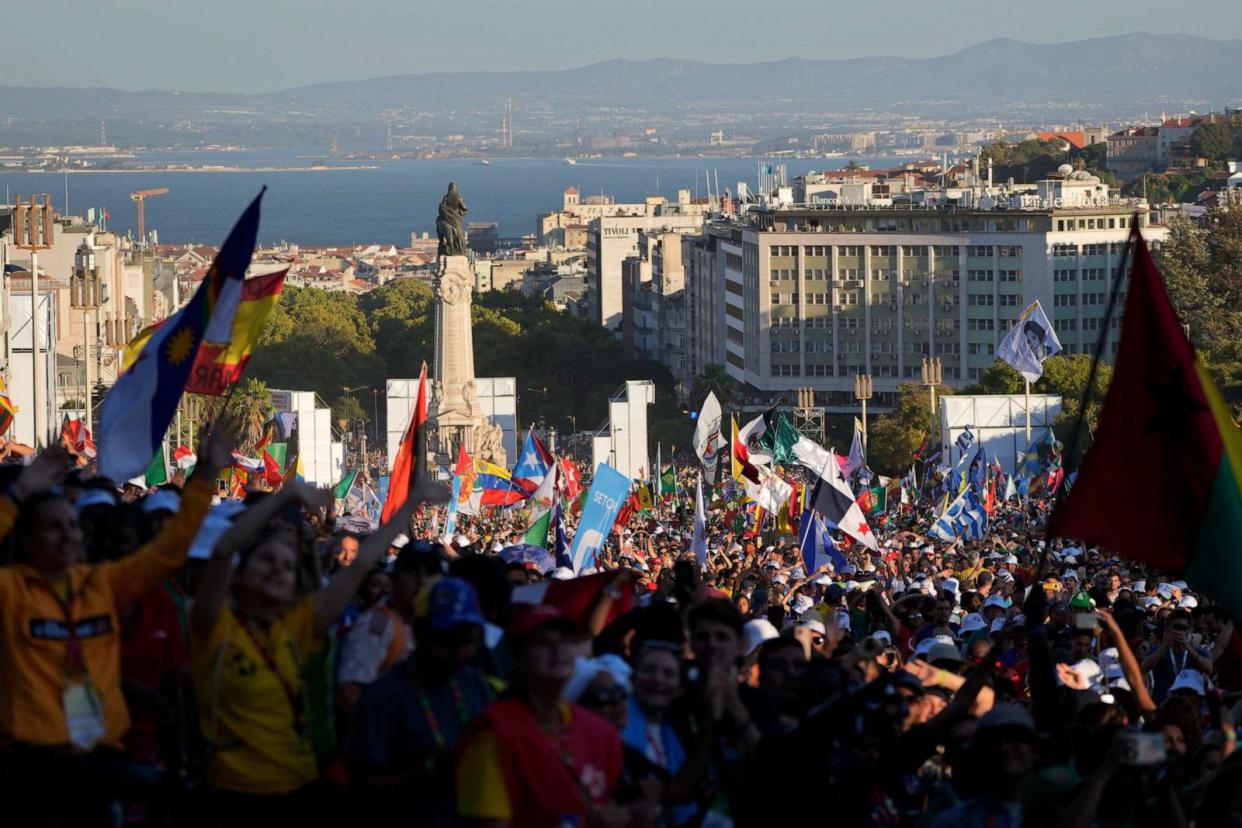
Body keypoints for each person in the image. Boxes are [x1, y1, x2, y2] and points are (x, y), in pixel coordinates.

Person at [0, 425, 232, 826]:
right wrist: (20, 493)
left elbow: (169, 550)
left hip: (101, 765)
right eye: (54, 527)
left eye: (71, 525)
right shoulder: (11, 591)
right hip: (30, 770)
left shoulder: (102, 584)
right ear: (28, 537)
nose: (68, 534)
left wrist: (206, 477)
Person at [189, 479, 425, 826]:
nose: (276, 569)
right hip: (234, 795)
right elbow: (224, 552)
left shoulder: (297, 627)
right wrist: (284, 497)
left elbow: (361, 566)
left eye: (286, 566)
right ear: (240, 575)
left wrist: (410, 504)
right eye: (266, 560)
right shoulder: (213, 625)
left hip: (301, 790)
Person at [455, 604, 624, 826]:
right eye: (543, 643)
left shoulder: (600, 732)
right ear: (518, 659)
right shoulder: (494, 733)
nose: (557, 650)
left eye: (565, 641)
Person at [346, 576, 493, 825]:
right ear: (419, 633)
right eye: (446, 642)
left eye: (466, 642)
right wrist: (427, 773)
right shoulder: (385, 696)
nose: (457, 654)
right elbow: (361, 787)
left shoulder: (473, 683)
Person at [336, 539, 445, 716]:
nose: (422, 580)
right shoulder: (379, 623)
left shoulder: (420, 622)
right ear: (395, 578)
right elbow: (349, 690)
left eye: (430, 573)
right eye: (412, 572)